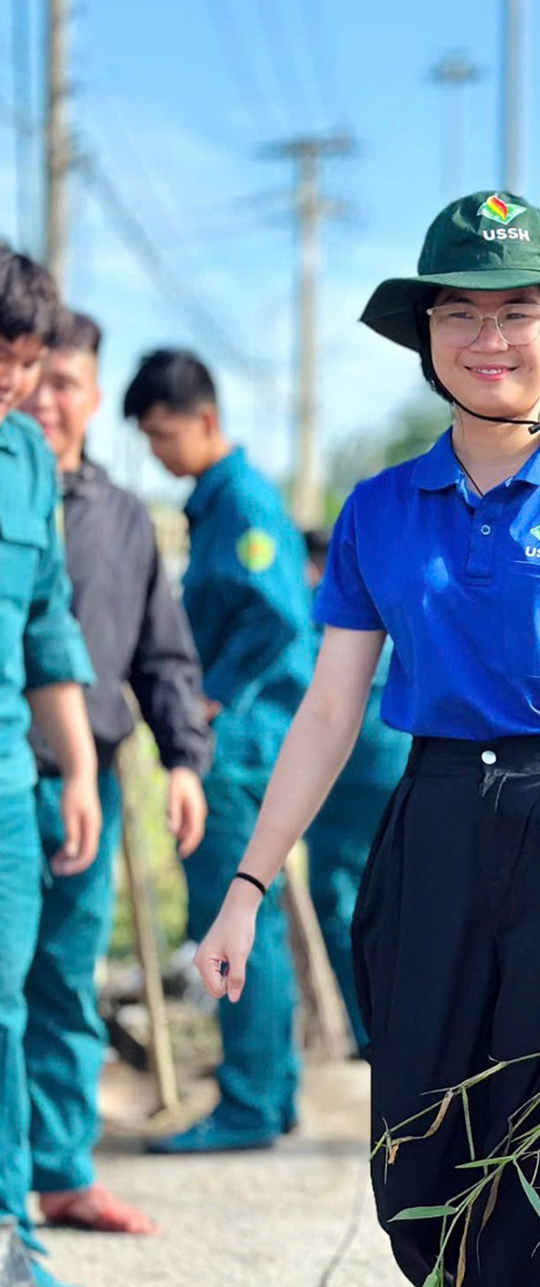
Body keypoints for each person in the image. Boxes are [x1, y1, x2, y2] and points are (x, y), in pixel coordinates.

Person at [187, 191, 540, 1287]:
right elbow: (328, 711)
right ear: (426, 338)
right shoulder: (379, 507)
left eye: (516, 311)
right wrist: (247, 884)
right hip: (428, 828)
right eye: (458, 314)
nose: (488, 339)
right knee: (416, 1142)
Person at [20, 310, 210, 1235]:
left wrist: (183, 759)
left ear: (95, 395)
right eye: (35, 376)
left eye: (69, 383)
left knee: (63, 983)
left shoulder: (124, 519)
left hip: (80, 783)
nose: (49, 398)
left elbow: (163, 657)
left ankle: (59, 1173)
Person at [125, 348, 312, 1156]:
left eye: (166, 435)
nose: (160, 455)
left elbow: (278, 615)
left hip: (236, 747)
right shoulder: (220, 501)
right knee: (248, 920)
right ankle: (272, 1093)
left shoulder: (238, 500)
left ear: (205, 420)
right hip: (240, 741)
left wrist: (210, 695)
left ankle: (248, 1102)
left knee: (234, 922)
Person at [0, 245, 101, 1287]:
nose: (12, 380)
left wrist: (75, 768)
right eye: (0, 355)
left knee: (5, 1005)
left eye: (25, 362)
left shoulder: (27, 462)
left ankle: (5, 1231)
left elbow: (46, 626)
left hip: (6, 791)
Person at [299, 526, 408, 1055]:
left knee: (362, 906)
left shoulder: (343, 606)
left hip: (370, 777)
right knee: (353, 906)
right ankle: (378, 1030)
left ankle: (379, 1029)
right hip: (357, 780)